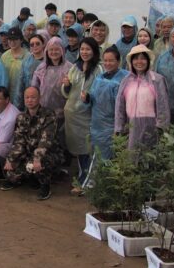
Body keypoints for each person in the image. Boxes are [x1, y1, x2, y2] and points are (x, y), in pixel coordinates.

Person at [1, 87, 66, 201]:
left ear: (39, 98)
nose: (29, 100)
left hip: (48, 153)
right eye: (27, 97)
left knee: (40, 163)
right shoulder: (21, 117)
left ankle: (45, 186)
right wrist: (11, 158)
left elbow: (45, 142)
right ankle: (31, 177)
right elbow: (19, 141)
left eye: (33, 97)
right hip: (29, 153)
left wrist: (37, 158)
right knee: (11, 173)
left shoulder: (48, 115)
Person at [62, 37, 103, 190]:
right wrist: (66, 86)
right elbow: (67, 93)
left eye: (88, 49)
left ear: (94, 51)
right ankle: (82, 176)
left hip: (88, 116)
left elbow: (99, 92)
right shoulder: (74, 67)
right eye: (82, 49)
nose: (84, 52)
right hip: (72, 117)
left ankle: (86, 181)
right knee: (79, 149)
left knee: (88, 149)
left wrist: (88, 98)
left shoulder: (98, 69)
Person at [114, 45, 170, 151]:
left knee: (150, 159)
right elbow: (119, 106)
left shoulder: (157, 80)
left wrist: (161, 128)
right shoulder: (126, 81)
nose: (139, 62)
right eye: (136, 58)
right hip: (130, 129)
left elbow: (163, 106)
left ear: (148, 60)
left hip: (151, 129)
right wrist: (119, 127)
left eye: (143, 58)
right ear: (131, 61)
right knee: (131, 159)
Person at [87, 46, 128, 161]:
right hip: (97, 125)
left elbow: (123, 106)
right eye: (105, 60)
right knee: (97, 157)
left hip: (113, 125)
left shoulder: (124, 78)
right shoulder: (99, 78)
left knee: (113, 158)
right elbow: (93, 98)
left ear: (119, 61)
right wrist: (86, 98)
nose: (107, 63)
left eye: (111, 60)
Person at [32, 37, 72, 126]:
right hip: (43, 112)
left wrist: (68, 86)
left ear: (62, 50)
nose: (54, 52)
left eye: (57, 49)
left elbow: (73, 91)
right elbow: (34, 87)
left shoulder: (69, 68)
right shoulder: (41, 68)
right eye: (51, 49)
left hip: (63, 113)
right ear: (46, 51)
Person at [0, 27, 28, 109]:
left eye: (15, 39)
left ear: (21, 40)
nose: (12, 42)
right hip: (7, 96)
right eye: (10, 39)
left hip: (23, 96)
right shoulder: (4, 56)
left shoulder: (28, 56)